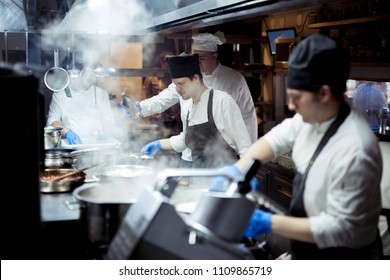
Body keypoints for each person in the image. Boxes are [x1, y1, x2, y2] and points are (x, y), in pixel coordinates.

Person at [210, 34, 383, 259]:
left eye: (296, 97)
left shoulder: (356, 148)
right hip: (307, 247)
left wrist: (270, 223)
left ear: (324, 93)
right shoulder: (311, 117)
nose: (291, 105)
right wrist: (239, 169)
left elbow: (341, 229)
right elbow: (273, 140)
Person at [122, 31, 258, 167]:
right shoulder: (188, 98)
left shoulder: (226, 94)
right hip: (193, 161)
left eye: (202, 58)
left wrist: (246, 170)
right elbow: (186, 138)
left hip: (222, 166)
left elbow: (246, 127)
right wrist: (140, 108)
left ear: (196, 79)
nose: (198, 62)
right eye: (196, 57)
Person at [140, 53, 252, 169]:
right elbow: (187, 139)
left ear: (196, 79)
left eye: (181, 84)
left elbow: (245, 147)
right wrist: (159, 144)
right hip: (199, 177)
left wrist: (246, 175)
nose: (177, 89)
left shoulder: (222, 101)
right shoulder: (190, 106)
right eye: (175, 85)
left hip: (222, 176)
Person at [46, 63, 120, 144]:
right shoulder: (60, 95)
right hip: (72, 143)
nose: (73, 79)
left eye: (77, 75)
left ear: (84, 74)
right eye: (70, 75)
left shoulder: (100, 93)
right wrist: (66, 132)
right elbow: (52, 119)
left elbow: (108, 119)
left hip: (98, 143)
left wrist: (105, 131)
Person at [141, 50, 181, 133]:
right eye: (168, 61)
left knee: (172, 137)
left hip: (173, 117)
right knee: (156, 136)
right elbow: (145, 92)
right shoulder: (153, 75)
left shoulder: (177, 75)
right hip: (156, 117)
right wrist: (146, 111)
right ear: (161, 62)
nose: (171, 64)